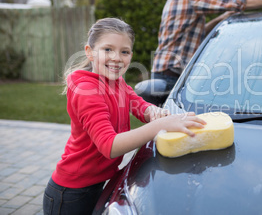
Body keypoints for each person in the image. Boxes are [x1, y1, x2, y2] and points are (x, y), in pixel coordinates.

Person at [42, 18, 206, 214]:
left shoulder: (117, 82)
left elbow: (140, 106)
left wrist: (155, 113)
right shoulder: (86, 90)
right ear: (90, 52)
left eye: (124, 52)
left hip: (98, 183)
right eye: (108, 49)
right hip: (71, 193)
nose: (117, 58)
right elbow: (110, 146)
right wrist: (160, 125)